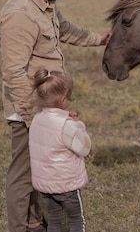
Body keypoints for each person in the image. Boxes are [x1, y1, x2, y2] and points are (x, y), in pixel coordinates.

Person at [0, 0, 109, 232]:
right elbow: (14, 73)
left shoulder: (45, 4)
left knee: (39, 168)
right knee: (23, 175)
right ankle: (20, 227)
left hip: (47, 108)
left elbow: (65, 30)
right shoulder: (20, 15)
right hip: (29, 109)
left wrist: (99, 39)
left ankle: (34, 222)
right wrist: (35, 120)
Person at [29, 69, 91, 232]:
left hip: (45, 185)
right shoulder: (66, 124)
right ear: (63, 99)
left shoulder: (37, 119)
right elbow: (84, 148)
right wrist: (79, 125)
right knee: (76, 220)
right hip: (66, 184)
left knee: (55, 220)